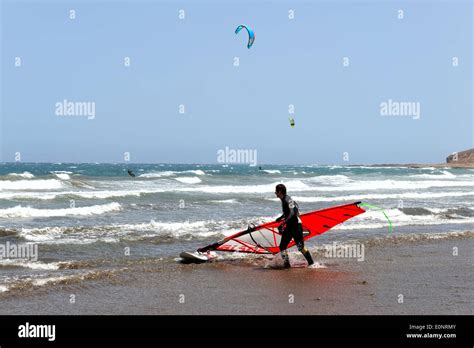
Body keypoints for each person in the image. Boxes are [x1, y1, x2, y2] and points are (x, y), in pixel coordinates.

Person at [275, 184, 314, 268]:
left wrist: (283, 223)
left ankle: (287, 264)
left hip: (294, 226)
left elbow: (292, 213)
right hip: (295, 226)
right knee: (300, 247)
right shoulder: (286, 199)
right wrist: (281, 217)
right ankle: (311, 263)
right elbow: (291, 211)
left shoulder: (287, 200)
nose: (275, 193)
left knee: (283, 246)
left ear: (280, 192)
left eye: (276, 191)